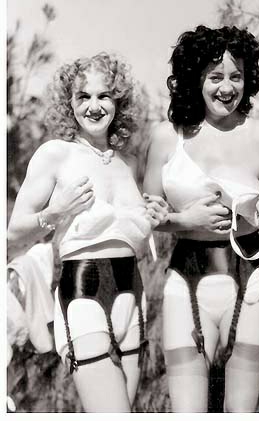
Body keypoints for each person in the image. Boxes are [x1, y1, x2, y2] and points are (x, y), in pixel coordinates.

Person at [143, 25, 259, 413]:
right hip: (184, 277)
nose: (227, 87)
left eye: (236, 76)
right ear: (196, 79)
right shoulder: (166, 137)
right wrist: (186, 219)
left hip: (252, 278)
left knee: (241, 410)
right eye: (215, 77)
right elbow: (146, 218)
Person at [7, 53, 162, 412]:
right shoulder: (55, 155)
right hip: (83, 295)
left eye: (103, 95)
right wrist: (55, 211)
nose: (94, 106)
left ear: (118, 100)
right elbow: (13, 234)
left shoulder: (128, 163)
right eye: (83, 96)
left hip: (133, 296)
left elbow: (131, 235)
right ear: (69, 103)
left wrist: (153, 216)